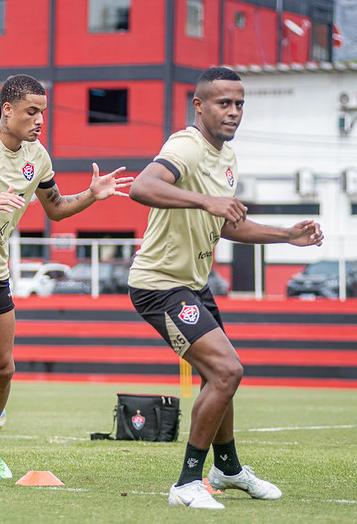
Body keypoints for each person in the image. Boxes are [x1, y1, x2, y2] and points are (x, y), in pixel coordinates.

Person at [127, 66, 324, 509]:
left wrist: (286, 236)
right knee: (227, 371)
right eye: (223, 103)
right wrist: (204, 199)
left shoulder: (226, 158)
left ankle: (229, 469)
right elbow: (143, 186)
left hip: (193, 285)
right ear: (199, 105)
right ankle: (187, 484)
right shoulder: (186, 145)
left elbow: (228, 222)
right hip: (159, 285)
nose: (233, 112)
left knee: (219, 377)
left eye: (239, 104)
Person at [0, 74, 133, 485]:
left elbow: (54, 210)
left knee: (4, 366)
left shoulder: (38, 156)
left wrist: (91, 195)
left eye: (43, 112)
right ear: (7, 110)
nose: (40, 120)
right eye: (31, 112)